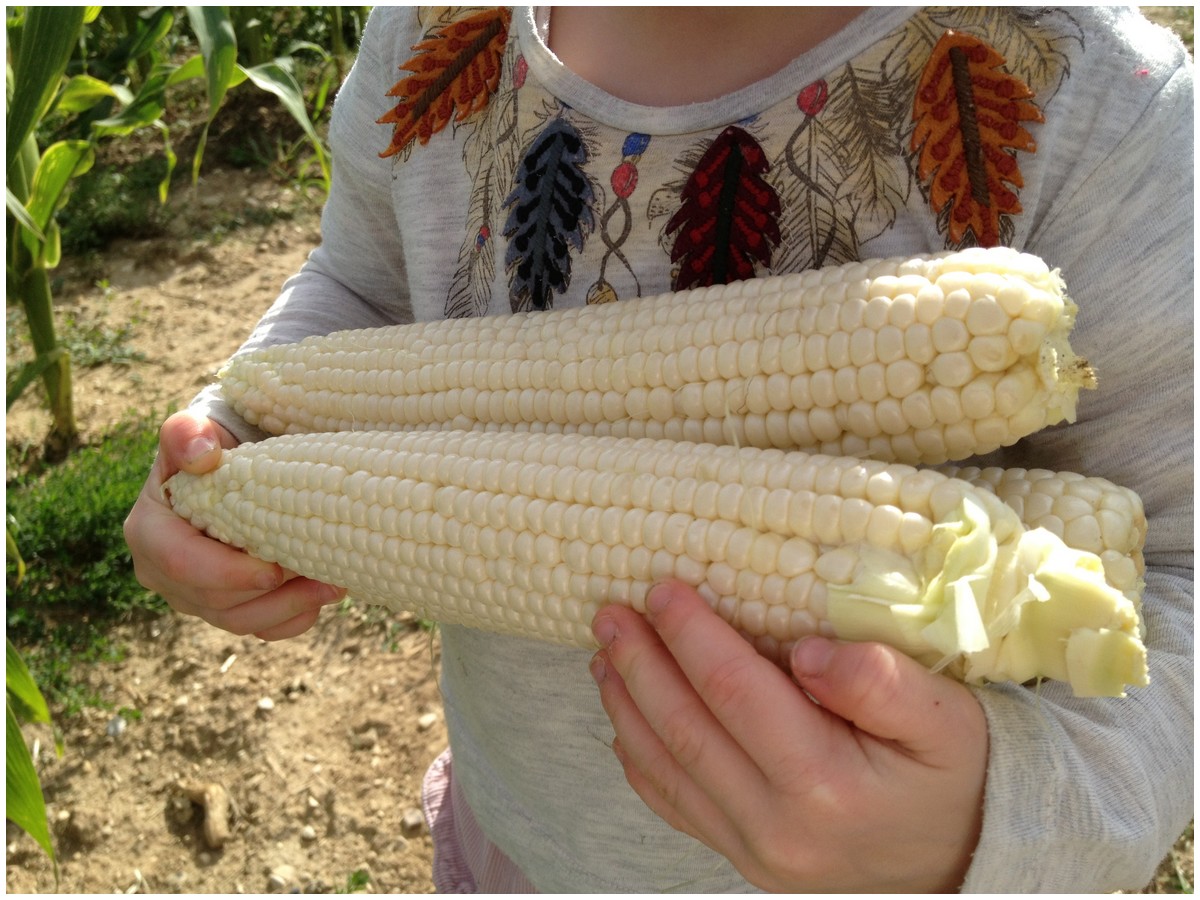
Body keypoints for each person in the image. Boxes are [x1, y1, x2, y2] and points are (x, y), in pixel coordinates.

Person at [126, 6, 1193, 892]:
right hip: (527, 843)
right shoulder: (433, 37)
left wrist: (994, 826)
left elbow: (1177, 577)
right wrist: (237, 427)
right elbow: (358, 282)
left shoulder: (1099, 113)